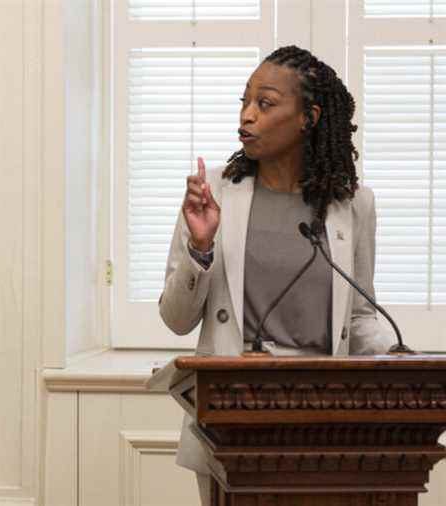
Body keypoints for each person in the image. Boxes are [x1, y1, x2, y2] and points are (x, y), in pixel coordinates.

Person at [158, 45, 395, 504]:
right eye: (244, 103)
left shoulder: (352, 205)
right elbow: (176, 318)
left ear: (309, 116)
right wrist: (201, 246)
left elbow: (360, 315)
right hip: (230, 426)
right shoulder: (215, 196)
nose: (247, 116)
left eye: (264, 104)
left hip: (326, 425)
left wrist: (400, 355)